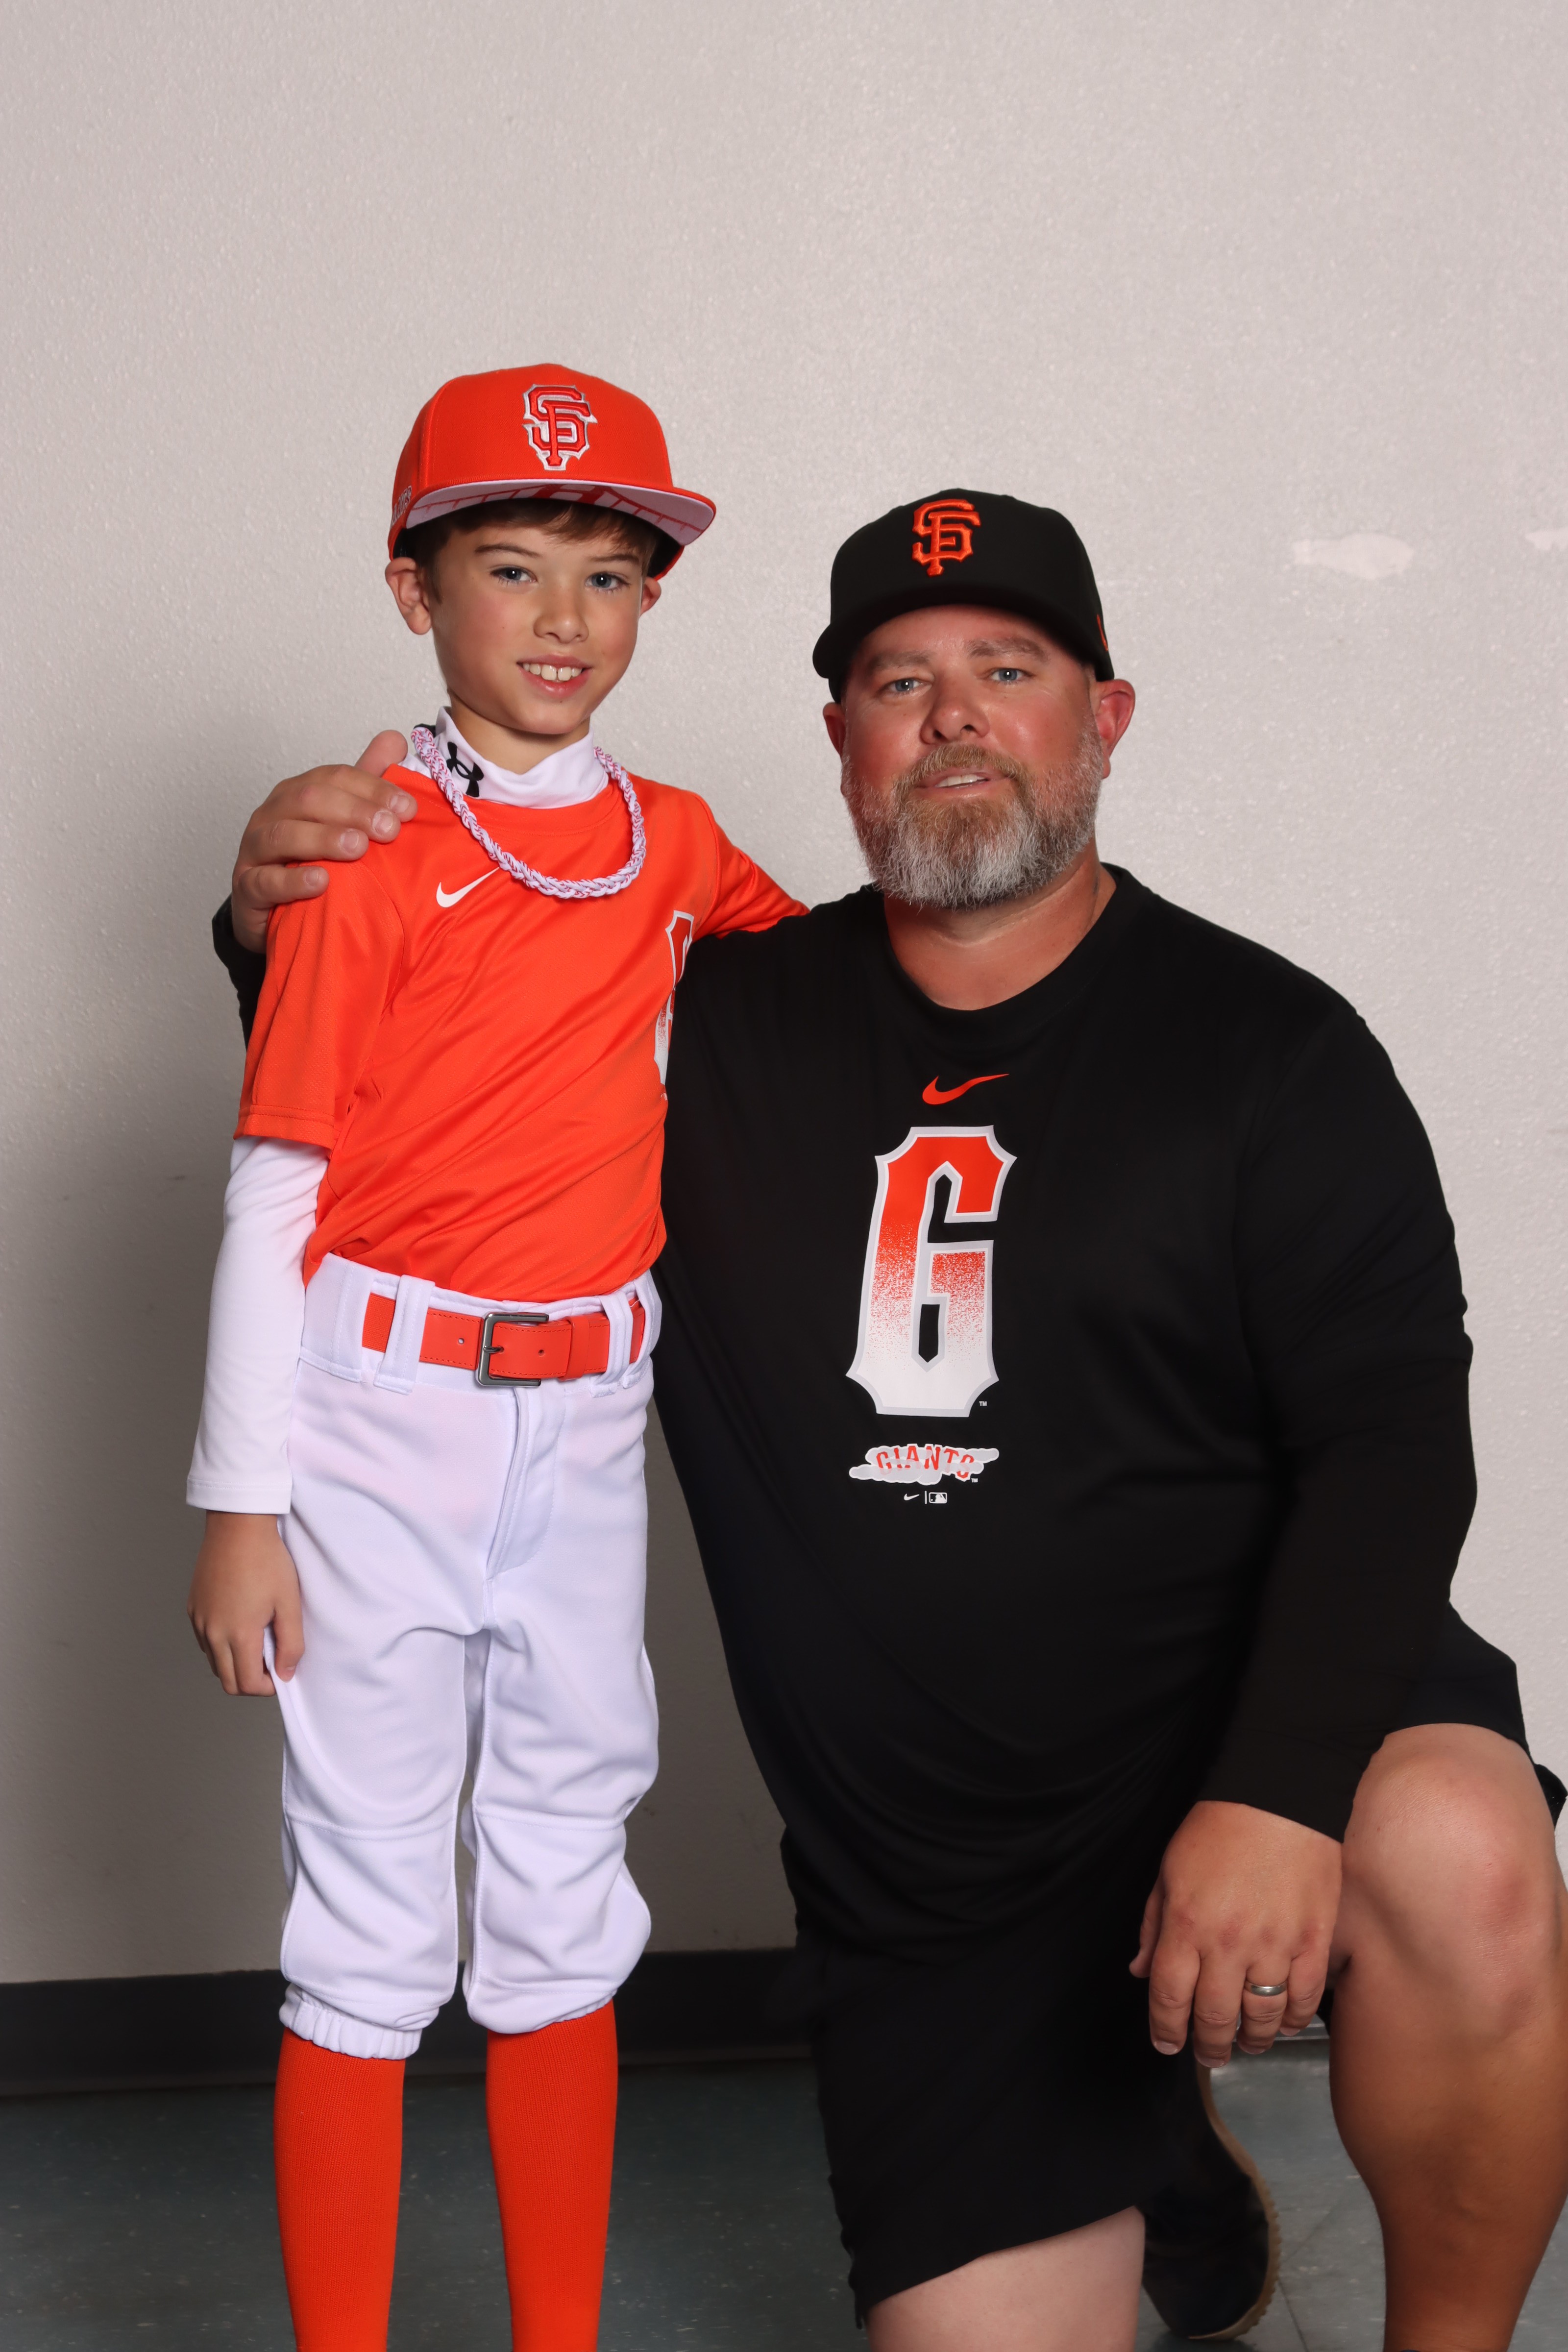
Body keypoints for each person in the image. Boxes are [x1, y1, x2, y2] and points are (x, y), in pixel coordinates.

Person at [212, 490, 1568, 2352]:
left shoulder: (1271, 1046)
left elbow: (1396, 1443)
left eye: (1009, 669)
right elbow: (444, 1079)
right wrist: (272, 924)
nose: (954, 716)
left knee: (1460, 1847)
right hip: (942, 1877)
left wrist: (1277, 1787)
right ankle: (1160, 2167)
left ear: (1106, 718)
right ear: (841, 739)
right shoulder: (710, 1022)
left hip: (1237, 1732)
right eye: (897, 680)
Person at [185, 363, 801, 2352]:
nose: (562, 617)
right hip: (378, 1416)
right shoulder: (363, 844)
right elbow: (276, 1186)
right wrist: (241, 1506)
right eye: (512, 565)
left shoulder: (674, 839)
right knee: (371, 1914)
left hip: (590, 1419)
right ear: (414, 593)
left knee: (561, 1888)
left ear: (651, 604)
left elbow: (830, 999)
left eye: (608, 575)